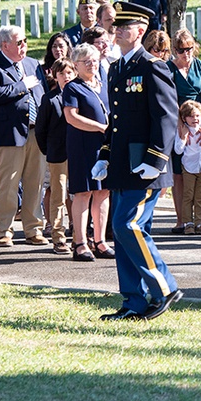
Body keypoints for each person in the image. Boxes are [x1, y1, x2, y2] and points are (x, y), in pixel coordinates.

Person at [93, 0, 182, 321]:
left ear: (141, 31)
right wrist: (104, 155)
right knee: (123, 231)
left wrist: (157, 159)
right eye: (115, 25)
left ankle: (164, 287)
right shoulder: (117, 68)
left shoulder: (153, 66)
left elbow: (166, 117)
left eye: (124, 26)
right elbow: (116, 119)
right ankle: (134, 302)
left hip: (145, 166)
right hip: (121, 165)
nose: (116, 30)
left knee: (125, 224)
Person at [0, 25, 48, 248]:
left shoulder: (31, 64)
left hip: (34, 133)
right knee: (7, 186)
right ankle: (4, 231)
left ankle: (33, 229)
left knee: (34, 184)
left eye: (25, 41)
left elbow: (42, 95)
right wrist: (22, 86)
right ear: (4, 45)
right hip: (8, 135)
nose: (24, 46)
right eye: (19, 42)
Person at [63, 44, 113, 262]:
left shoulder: (103, 84)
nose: (93, 64)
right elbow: (71, 117)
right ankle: (80, 242)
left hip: (104, 146)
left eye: (95, 60)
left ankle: (100, 240)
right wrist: (100, 127)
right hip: (83, 145)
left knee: (103, 192)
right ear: (76, 65)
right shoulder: (72, 88)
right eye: (87, 62)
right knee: (83, 193)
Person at [167, 29, 201, 233]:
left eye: (189, 49)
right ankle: (182, 219)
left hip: (199, 119)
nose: (185, 54)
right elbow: (168, 99)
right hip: (178, 122)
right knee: (179, 173)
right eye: (180, 50)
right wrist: (180, 125)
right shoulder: (168, 68)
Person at [35, 58, 76, 256]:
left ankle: (79, 235)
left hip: (78, 154)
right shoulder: (50, 99)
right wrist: (48, 150)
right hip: (57, 154)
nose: (66, 77)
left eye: (69, 73)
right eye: (62, 74)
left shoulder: (82, 95)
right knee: (58, 196)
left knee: (78, 196)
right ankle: (59, 237)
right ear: (55, 76)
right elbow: (40, 130)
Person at [174, 100, 201, 235]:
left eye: (198, 116)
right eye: (191, 116)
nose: (195, 119)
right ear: (184, 118)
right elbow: (178, 150)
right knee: (188, 196)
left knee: (200, 196)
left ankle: (200, 222)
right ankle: (188, 223)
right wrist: (183, 137)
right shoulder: (183, 130)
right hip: (189, 167)